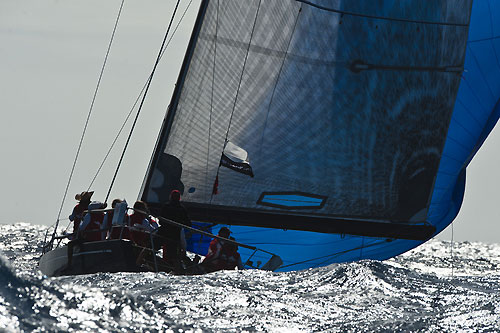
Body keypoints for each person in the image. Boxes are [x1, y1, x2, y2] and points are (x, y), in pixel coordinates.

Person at [157, 190, 192, 269]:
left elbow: (161, 220)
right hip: (175, 234)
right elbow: (188, 223)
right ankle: (176, 268)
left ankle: (141, 260)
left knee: (157, 248)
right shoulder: (181, 208)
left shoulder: (166, 206)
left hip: (164, 233)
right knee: (175, 254)